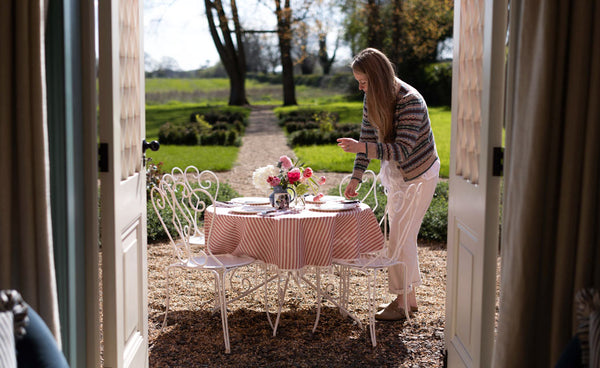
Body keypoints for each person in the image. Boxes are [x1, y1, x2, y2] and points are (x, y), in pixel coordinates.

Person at [337, 48, 440, 321]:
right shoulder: (372, 98)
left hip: (419, 174)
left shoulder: (410, 101)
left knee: (400, 238)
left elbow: (402, 150)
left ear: (379, 77)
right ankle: (410, 298)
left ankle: (401, 302)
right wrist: (356, 177)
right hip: (397, 174)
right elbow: (366, 140)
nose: (360, 88)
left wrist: (362, 146)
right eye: (358, 81)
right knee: (401, 235)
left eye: (364, 81)